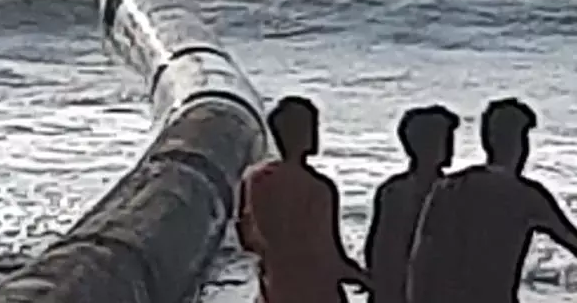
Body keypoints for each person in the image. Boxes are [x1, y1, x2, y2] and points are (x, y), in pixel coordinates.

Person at [407, 97, 577, 303]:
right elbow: (571, 239)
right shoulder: (526, 195)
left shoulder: (447, 187)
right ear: (521, 143)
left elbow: (421, 261)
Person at [237, 95, 372, 303]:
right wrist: (366, 279)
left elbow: (246, 238)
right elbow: (329, 255)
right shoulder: (318, 188)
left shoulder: (253, 180)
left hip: (273, 290)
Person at [363, 105, 460, 303]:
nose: (451, 147)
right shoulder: (451, 192)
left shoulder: (393, 190)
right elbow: (381, 249)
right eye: (445, 139)